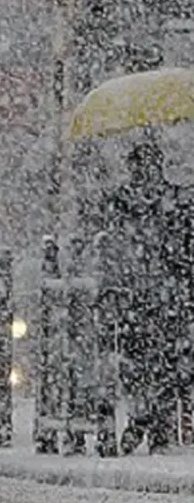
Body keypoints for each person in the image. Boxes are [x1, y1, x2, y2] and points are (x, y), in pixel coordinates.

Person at [99, 141, 184, 454]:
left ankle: (147, 420)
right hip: (156, 296)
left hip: (146, 296)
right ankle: (150, 422)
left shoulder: (122, 202)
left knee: (146, 364)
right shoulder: (170, 200)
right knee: (154, 364)